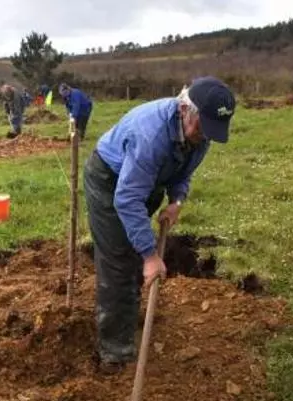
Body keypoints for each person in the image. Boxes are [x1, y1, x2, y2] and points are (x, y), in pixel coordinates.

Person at [83, 76, 236, 373]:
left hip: (146, 180)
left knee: (134, 252)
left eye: (211, 131)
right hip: (109, 181)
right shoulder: (151, 135)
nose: (204, 136)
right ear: (184, 109)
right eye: (201, 127)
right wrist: (150, 255)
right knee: (118, 260)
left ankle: (127, 314)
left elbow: (183, 172)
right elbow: (127, 198)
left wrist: (177, 201)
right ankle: (114, 351)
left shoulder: (201, 136)